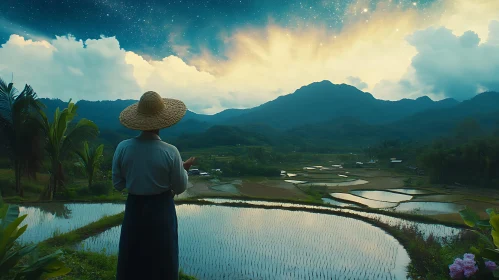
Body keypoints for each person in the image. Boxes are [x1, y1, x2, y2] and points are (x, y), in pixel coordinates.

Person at [112, 91, 195, 280]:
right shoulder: (170, 151)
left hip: (134, 208)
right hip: (161, 210)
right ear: (162, 120)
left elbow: (118, 184)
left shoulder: (122, 147)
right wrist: (183, 170)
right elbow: (180, 186)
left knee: (131, 258)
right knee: (163, 259)